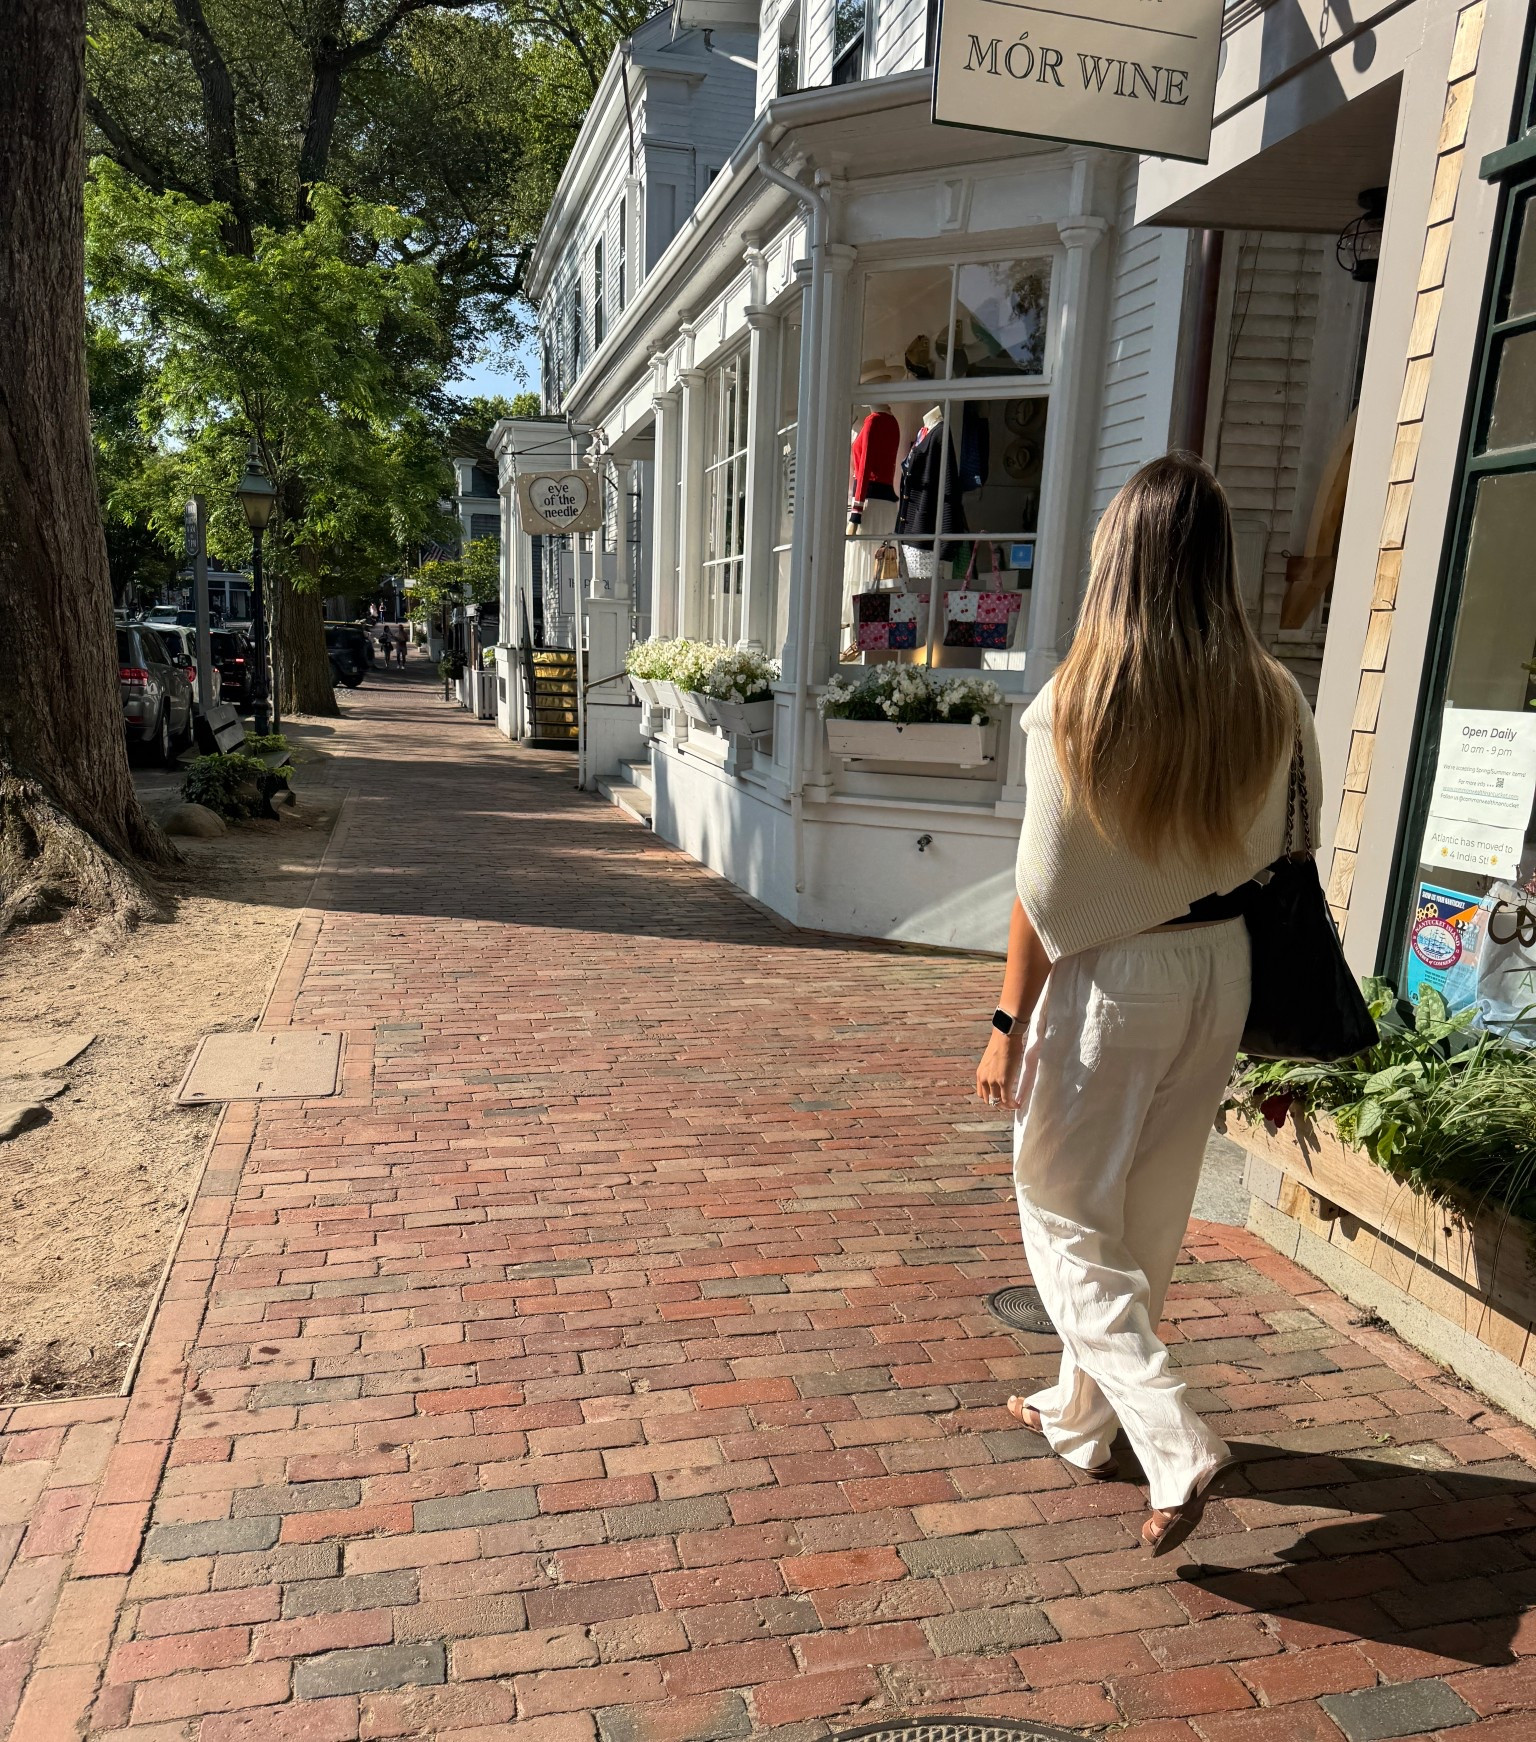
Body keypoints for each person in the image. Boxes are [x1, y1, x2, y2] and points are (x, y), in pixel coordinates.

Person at [974, 451, 1321, 1559]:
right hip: (1221, 968)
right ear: (1218, 561)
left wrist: (1004, 1022)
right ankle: (1083, 1416)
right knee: (1150, 1205)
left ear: (1114, 556)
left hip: (1110, 979)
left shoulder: (1081, 697)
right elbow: (1293, 840)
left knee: (1060, 1206)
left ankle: (1171, 1434)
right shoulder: (1272, 692)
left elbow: (1047, 886)